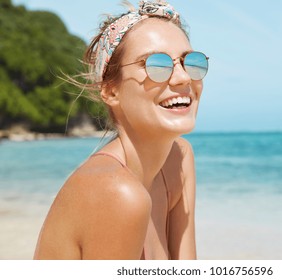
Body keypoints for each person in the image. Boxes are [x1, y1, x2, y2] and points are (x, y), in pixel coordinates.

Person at [33, 0, 208, 260]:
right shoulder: (116, 193)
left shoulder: (179, 161)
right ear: (111, 91)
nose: (183, 77)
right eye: (155, 65)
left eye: (190, 61)